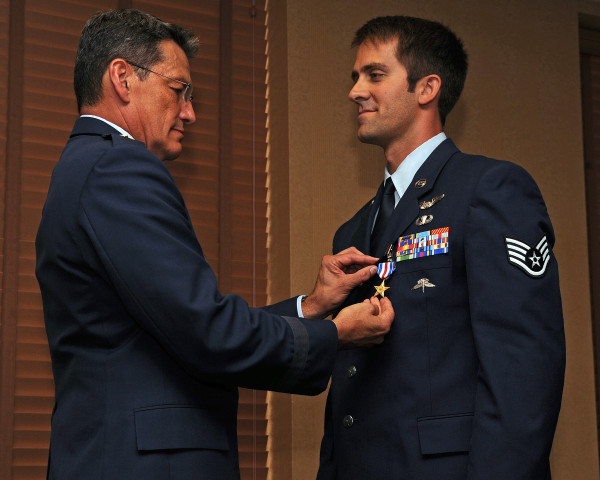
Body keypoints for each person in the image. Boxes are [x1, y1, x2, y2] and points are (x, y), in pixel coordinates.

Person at [34, 9, 394, 480]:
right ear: (122, 78)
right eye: (179, 90)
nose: (190, 112)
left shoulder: (84, 166)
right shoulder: (118, 168)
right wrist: (336, 334)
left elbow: (177, 329)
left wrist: (311, 307)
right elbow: (208, 332)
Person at [316, 15, 565, 480]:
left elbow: (523, 371)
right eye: (355, 77)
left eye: (374, 74)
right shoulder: (352, 231)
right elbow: (349, 389)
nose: (355, 91)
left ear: (427, 88)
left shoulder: (490, 188)